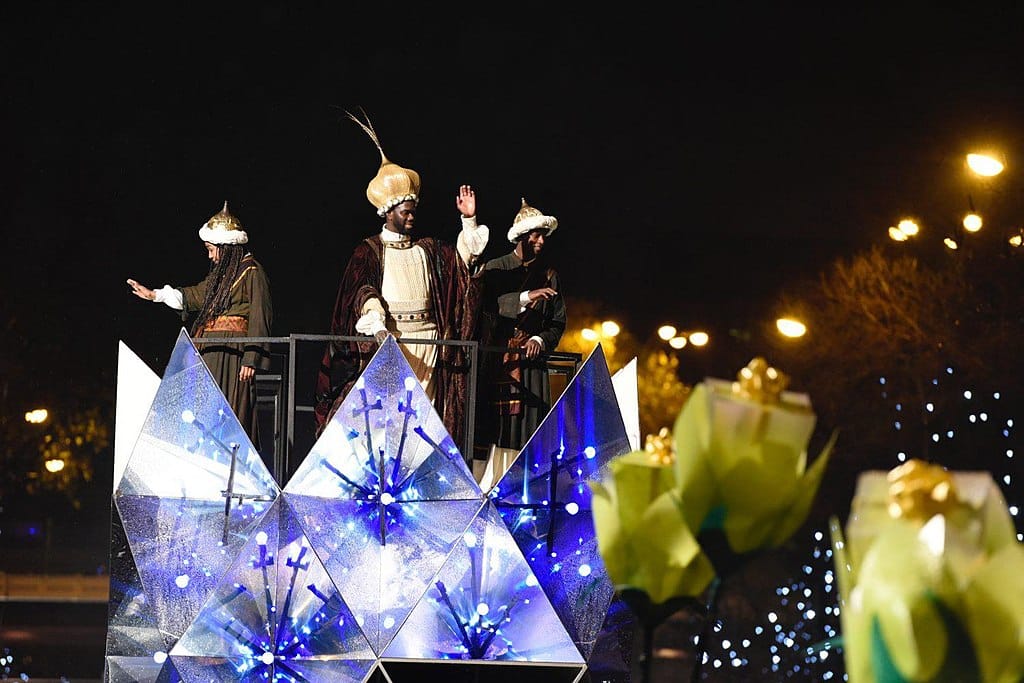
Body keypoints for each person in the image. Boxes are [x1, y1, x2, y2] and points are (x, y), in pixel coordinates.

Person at [313, 111, 489, 451]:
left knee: (424, 423)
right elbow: (362, 291)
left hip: (430, 344)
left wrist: (469, 221)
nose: (410, 217)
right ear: (387, 212)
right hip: (392, 343)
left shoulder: (429, 250)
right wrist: (377, 323)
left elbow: (464, 266)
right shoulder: (370, 251)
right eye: (404, 211)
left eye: (413, 211)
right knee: (389, 421)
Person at [127, 201, 273, 442]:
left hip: (233, 356)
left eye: (211, 249)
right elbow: (195, 296)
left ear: (226, 247)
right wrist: (156, 295)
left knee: (230, 412)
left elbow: (261, 315)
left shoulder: (252, 272)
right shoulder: (222, 277)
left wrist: (252, 358)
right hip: (212, 352)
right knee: (206, 414)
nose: (210, 256)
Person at [476, 197, 566, 453]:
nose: (541, 241)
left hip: (531, 368)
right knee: (495, 430)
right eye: (536, 236)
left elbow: (557, 322)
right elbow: (487, 308)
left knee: (532, 431)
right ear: (522, 237)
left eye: (544, 236)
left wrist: (539, 339)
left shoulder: (550, 275)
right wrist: (527, 297)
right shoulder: (495, 269)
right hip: (498, 361)